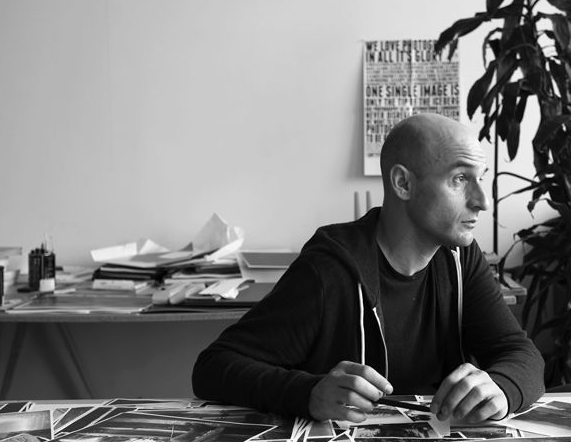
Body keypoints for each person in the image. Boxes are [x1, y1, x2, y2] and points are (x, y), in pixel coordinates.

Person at [192, 113, 544, 423]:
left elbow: (520, 354)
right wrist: (309, 393)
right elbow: (214, 367)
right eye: (460, 179)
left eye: (480, 178)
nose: (482, 200)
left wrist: (501, 388)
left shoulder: (458, 257)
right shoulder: (329, 270)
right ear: (403, 183)